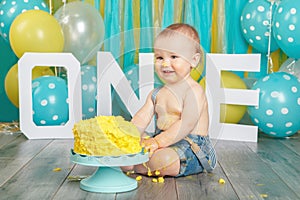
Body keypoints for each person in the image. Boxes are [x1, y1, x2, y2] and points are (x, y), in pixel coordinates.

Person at [123, 23, 216, 177]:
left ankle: (137, 164)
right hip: (160, 143)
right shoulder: (157, 93)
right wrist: (128, 137)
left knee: (166, 160)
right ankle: (134, 159)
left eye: (173, 56)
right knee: (136, 139)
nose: (165, 63)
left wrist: (157, 142)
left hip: (191, 149)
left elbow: (186, 124)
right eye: (160, 57)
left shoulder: (193, 91)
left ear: (193, 60)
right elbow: (141, 118)